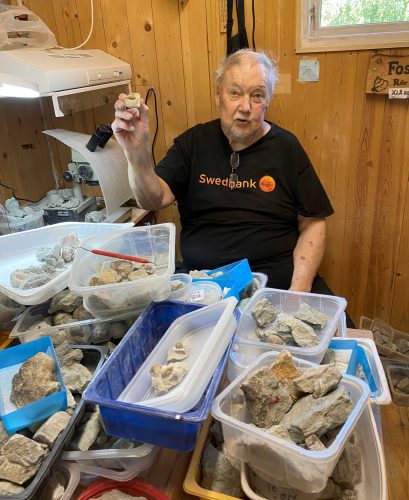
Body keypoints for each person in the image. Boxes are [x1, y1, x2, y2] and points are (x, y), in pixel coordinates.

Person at [111, 49, 334, 295]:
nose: (245, 107)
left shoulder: (286, 148)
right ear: (219, 95)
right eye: (235, 93)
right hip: (203, 287)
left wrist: (298, 291)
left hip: (274, 287)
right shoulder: (193, 143)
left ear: (268, 99)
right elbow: (154, 199)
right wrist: (136, 155)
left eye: (257, 95)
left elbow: (314, 222)